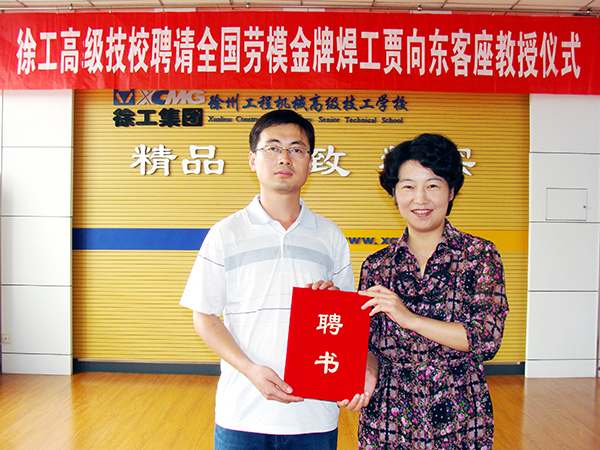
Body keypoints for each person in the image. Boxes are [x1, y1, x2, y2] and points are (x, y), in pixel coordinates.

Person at [180, 109, 358, 450]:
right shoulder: (225, 233)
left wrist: (332, 298)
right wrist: (249, 369)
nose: (284, 158)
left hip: (313, 414)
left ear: (310, 162)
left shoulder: (330, 235)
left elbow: (347, 320)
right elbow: (204, 316)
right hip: (242, 413)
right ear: (253, 159)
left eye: (296, 149)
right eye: (273, 148)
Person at [356, 133, 509, 449]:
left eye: (433, 185)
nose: (420, 199)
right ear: (394, 193)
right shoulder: (377, 265)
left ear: (451, 191)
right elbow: (367, 342)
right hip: (388, 418)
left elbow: (485, 339)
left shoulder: (479, 256)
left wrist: (410, 318)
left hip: (460, 415)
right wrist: (367, 372)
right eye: (408, 186)